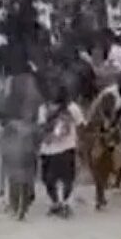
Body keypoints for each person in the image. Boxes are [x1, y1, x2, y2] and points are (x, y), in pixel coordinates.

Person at [38, 89, 84, 218]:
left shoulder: (73, 108)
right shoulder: (43, 108)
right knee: (48, 179)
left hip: (67, 148)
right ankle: (56, 202)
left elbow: (81, 125)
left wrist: (79, 144)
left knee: (67, 178)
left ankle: (64, 202)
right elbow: (41, 127)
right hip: (48, 149)